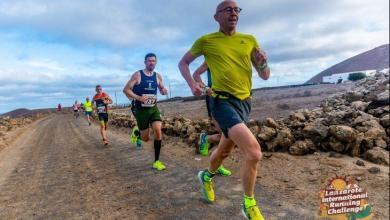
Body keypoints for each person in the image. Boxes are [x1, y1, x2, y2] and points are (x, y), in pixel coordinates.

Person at [178, 1, 270, 219]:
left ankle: (206, 176)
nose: (233, 13)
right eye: (228, 9)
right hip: (221, 102)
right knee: (254, 152)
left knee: (225, 150)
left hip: (244, 103)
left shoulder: (249, 40)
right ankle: (248, 204)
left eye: (237, 9)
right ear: (216, 16)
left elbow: (265, 75)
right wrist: (193, 84)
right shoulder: (207, 41)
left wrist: (264, 63)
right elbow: (184, 63)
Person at [123, 53, 168, 171]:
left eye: (153, 61)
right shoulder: (138, 75)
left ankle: (156, 161)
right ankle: (137, 132)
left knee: (158, 131)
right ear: (145, 62)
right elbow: (126, 90)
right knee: (146, 139)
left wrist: (163, 90)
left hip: (153, 108)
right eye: (149, 61)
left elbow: (161, 88)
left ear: (156, 62)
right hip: (141, 110)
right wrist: (138, 98)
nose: (151, 63)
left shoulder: (158, 76)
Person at [193, 61, 232, 177]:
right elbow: (196, 74)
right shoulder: (212, 55)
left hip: (232, 100)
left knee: (228, 136)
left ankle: (207, 139)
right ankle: (216, 164)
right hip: (215, 99)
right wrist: (205, 88)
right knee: (227, 134)